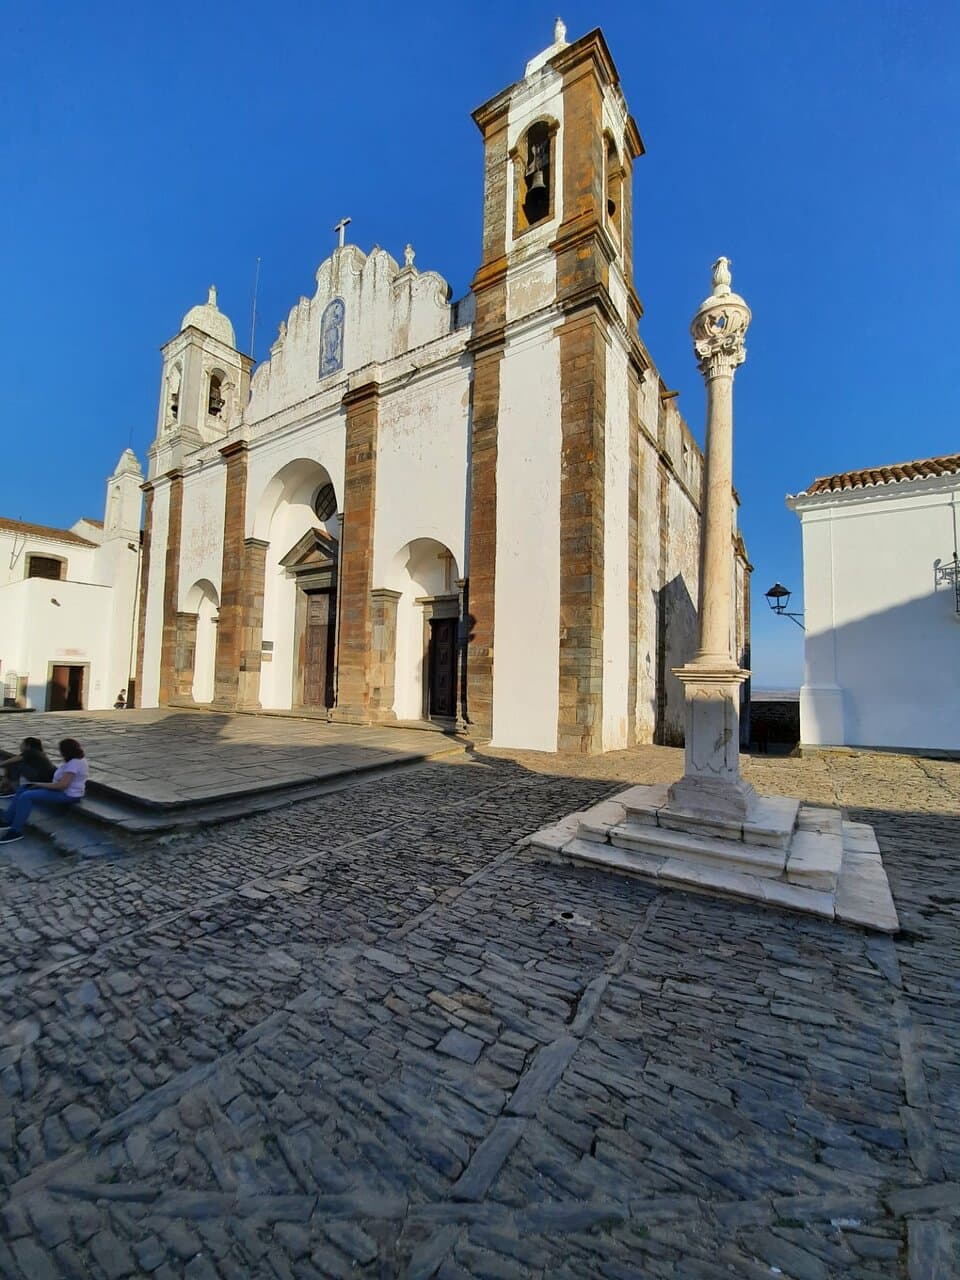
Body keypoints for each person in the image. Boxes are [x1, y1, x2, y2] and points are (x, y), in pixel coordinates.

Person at [0, 739, 88, 845]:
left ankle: (15, 830)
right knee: (23, 788)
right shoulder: (73, 760)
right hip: (60, 790)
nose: (60, 752)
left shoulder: (73, 764)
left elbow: (62, 785)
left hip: (67, 795)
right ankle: (7, 819)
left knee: (26, 796)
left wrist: (39, 784)